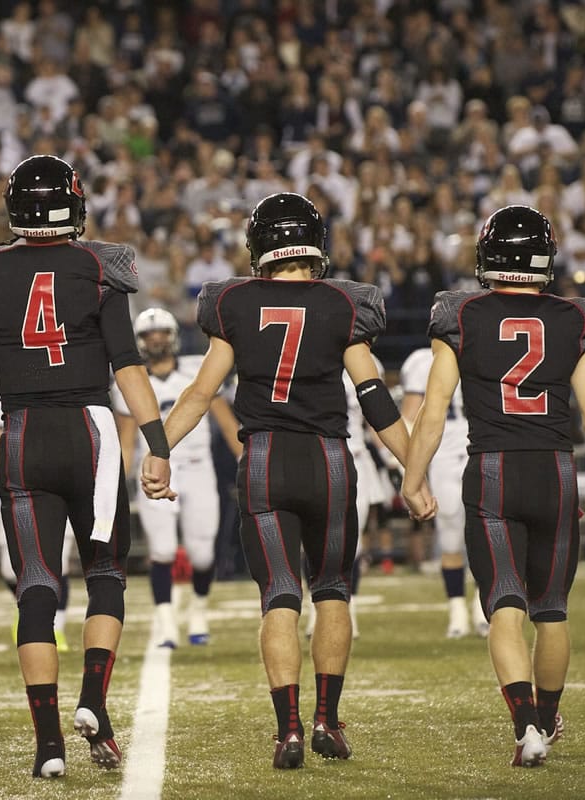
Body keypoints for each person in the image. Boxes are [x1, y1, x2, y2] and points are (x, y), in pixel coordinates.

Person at [141, 192, 430, 769]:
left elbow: (201, 392)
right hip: (327, 461)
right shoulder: (344, 305)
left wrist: (157, 449)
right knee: (332, 591)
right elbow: (373, 396)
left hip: (266, 459)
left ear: (259, 247)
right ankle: (327, 717)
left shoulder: (235, 303)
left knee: (279, 596)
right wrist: (413, 470)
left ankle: (290, 729)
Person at [0, 155, 170, 779]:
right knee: (105, 572)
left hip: (22, 435)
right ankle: (93, 700)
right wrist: (158, 442)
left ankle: (49, 744)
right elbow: (129, 367)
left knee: (35, 585)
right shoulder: (97, 268)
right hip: (91, 432)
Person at [400, 205, 585, 768]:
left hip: (494, 469)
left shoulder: (462, 315)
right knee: (552, 611)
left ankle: (526, 725)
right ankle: (546, 720)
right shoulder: (575, 318)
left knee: (504, 607)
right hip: (555, 469)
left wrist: (412, 475)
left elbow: (433, 410)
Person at [113, 307, 242, 648]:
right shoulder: (131, 380)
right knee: (163, 550)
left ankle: (199, 611)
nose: (156, 340)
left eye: (161, 333)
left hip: (198, 468)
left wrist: (247, 460)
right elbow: (127, 440)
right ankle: (166, 620)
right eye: (148, 335)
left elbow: (227, 422)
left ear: (172, 336)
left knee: (202, 554)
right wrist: (117, 486)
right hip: (153, 469)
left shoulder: (194, 370)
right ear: (141, 342)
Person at [0, 379, 76, 652]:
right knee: (10, 569)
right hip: (15, 482)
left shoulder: (62, 379)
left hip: (59, 480)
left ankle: (56, 628)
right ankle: (28, 609)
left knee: (58, 562)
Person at [399, 347, 488, 638]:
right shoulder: (423, 360)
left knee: (485, 529)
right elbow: (411, 415)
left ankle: (480, 605)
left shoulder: (484, 346)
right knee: (450, 530)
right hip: (443, 453)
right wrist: (408, 461)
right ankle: (457, 610)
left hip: (482, 445)